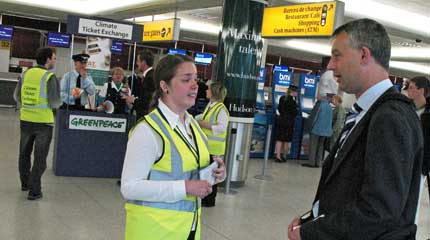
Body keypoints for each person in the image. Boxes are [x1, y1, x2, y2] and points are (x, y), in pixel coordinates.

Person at [288, 18, 423, 240]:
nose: (330, 65)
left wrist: (311, 234)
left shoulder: (390, 117)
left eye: (337, 55)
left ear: (363, 55)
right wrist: (309, 219)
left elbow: (379, 211)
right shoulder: (365, 113)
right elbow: (347, 189)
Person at [120, 54, 226, 240]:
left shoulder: (193, 125)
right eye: (186, 80)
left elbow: (190, 172)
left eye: (195, 79)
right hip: (154, 232)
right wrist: (185, 188)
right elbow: (129, 187)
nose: (195, 86)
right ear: (164, 86)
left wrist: (216, 173)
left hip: (187, 228)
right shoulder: (148, 130)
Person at [13, 47, 61, 200]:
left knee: (24, 154)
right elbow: (54, 102)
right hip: (43, 123)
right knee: (40, 158)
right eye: (54, 58)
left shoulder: (25, 74)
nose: (54, 61)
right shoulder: (49, 77)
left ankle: (25, 183)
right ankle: (34, 191)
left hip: (26, 120)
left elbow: (16, 96)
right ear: (47, 59)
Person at [196, 80, 229, 207]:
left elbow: (222, 127)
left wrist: (207, 125)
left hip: (215, 148)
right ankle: (205, 197)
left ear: (214, 92)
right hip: (207, 147)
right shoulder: (211, 105)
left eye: (208, 89)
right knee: (207, 173)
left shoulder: (221, 109)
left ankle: (210, 201)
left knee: (213, 174)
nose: (206, 91)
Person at [406, 76, 430, 224]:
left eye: (411, 88)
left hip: (420, 165)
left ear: (421, 91)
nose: (408, 92)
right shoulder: (406, 109)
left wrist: (424, 166)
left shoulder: (427, 116)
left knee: (413, 200)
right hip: (403, 162)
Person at [302, 70, 336, 168]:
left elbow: (314, 117)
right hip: (325, 132)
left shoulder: (319, 104)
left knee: (313, 146)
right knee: (320, 147)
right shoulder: (330, 107)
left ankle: (311, 163)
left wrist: (309, 126)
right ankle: (318, 163)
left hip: (316, 130)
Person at [124, 50, 156, 120]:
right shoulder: (148, 76)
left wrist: (133, 100)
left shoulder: (150, 77)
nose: (136, 63)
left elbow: (148, 101)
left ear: (143, 62)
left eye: (138, 61)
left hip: (146, 117)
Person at [274, 85, 298, 162]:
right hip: (289, 122)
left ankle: (278, 156)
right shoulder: (293, 102)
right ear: (293, 92)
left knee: (279, 139)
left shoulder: (282, 98)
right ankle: (284, 156)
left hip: (281, 121)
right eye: (296, 92)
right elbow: (295, 113)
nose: (297, 93)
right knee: (286, 140)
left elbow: (279, 109)